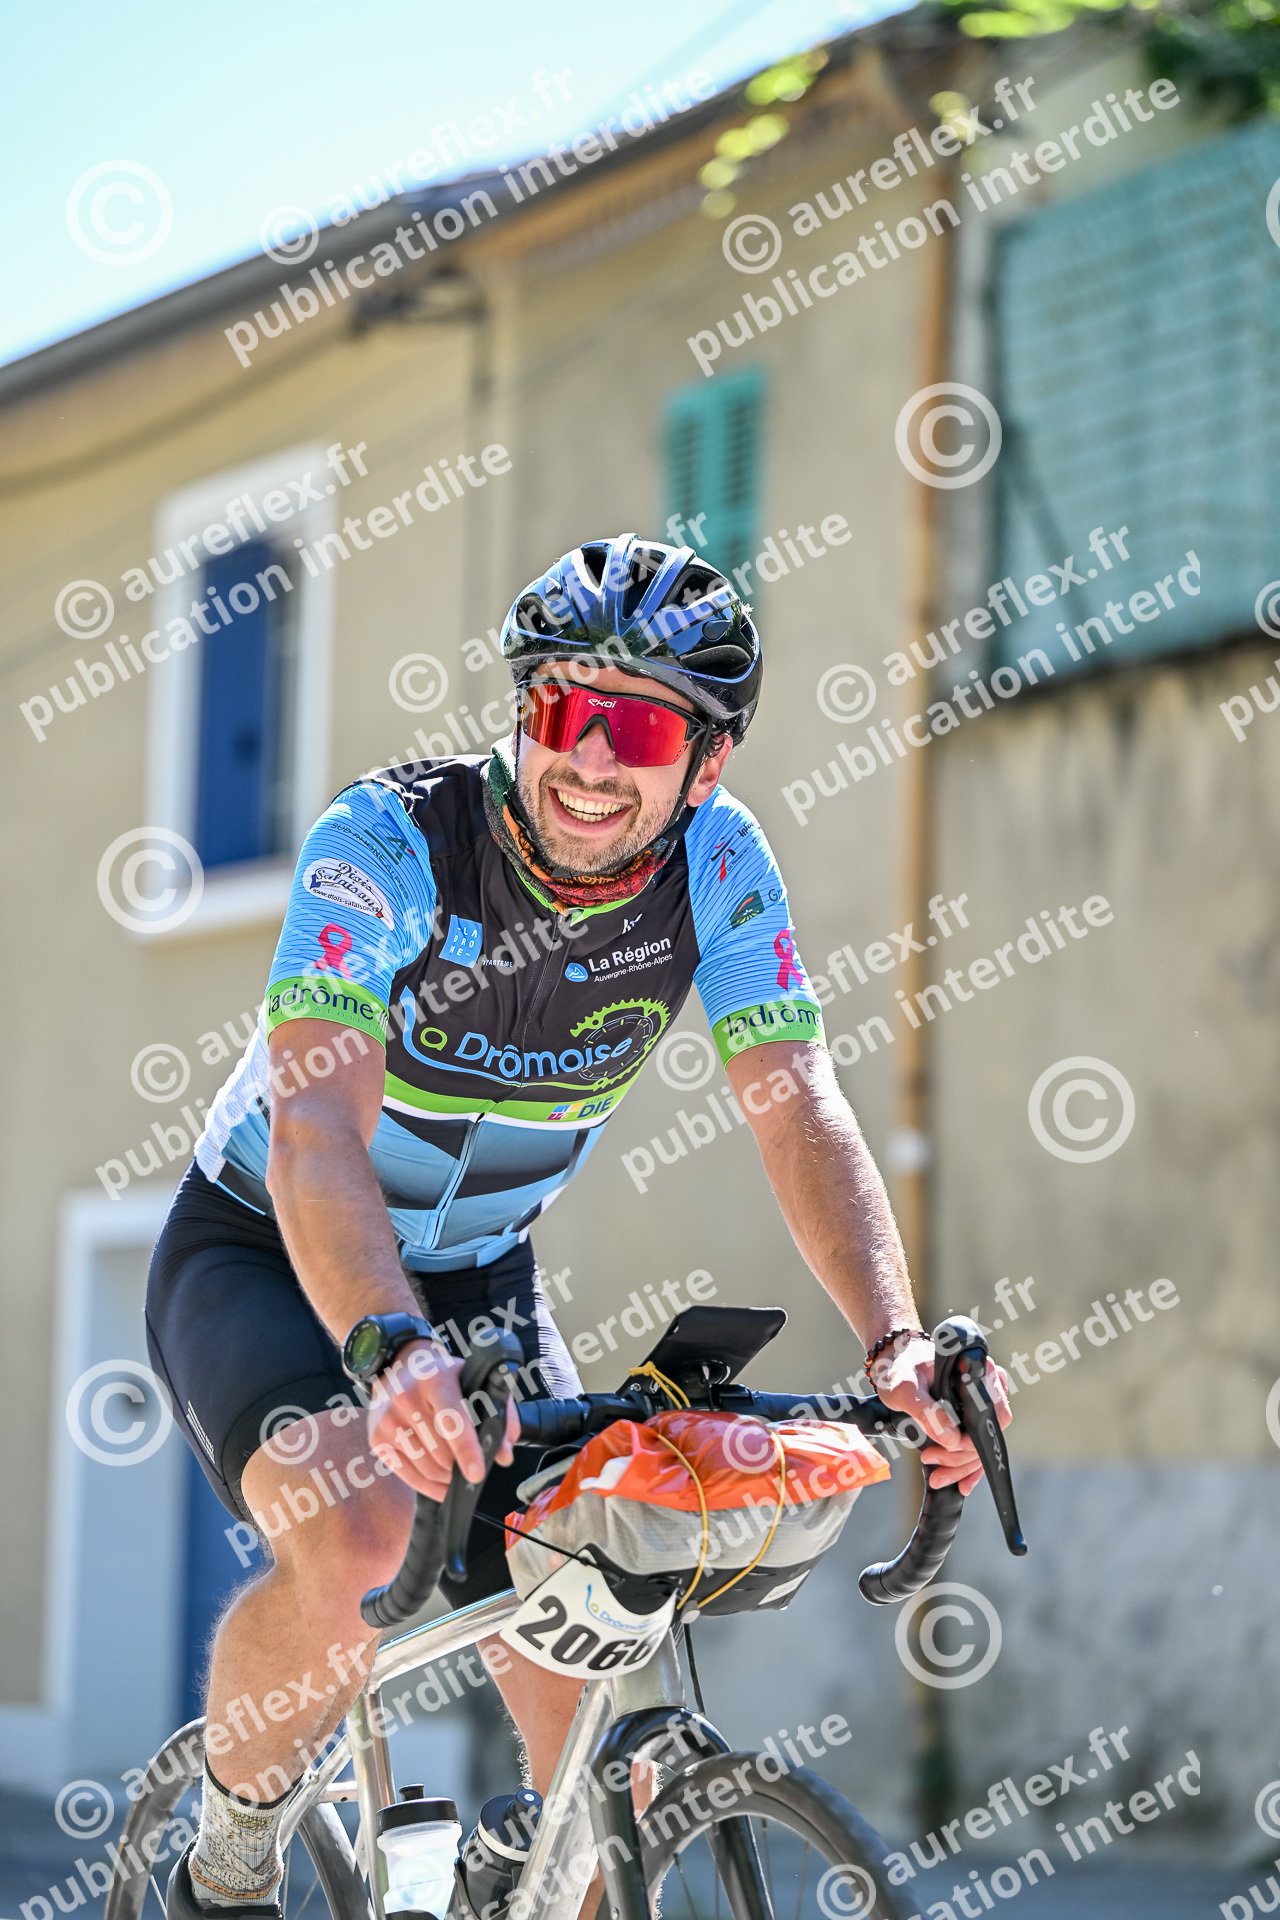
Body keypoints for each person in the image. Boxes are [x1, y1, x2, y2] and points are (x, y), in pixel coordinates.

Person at [149, 533, 1010, 1919]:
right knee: (359, 1545)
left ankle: (540, 1879)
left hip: (477, 1274)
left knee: (598, 1690)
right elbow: (315, 1129)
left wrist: (897, 1342)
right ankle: (231, 1850)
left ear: (705, 764)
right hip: (272, 1246)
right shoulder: (390, 844)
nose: (592, 759)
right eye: (564, 708)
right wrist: (390, 1349)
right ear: (523, 710)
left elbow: (795, 1102)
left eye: (644, 729)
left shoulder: (719, 866)